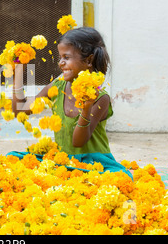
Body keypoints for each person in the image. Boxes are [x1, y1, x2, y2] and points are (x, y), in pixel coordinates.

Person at [11, 27, 132, 179]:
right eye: (60, 57)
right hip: (63, 161)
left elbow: (78, 142)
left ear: (88, 60)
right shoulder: (58, 87)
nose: (61, 63)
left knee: (117, 179)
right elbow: (21, 110)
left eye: (66, 58)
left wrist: (86, 107)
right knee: (13, 158)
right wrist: (18, 72)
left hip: (92, 163)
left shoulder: (100, 97)